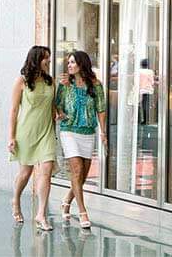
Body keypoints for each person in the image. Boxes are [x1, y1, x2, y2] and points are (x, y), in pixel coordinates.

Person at [8, 46, 58, 231]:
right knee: (25, 173)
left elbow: (52, 106)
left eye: (49, 58)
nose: (49, 62)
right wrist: (11, 137)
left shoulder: (51, 81)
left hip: (46, 132)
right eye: (46, 58)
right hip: (26, 132)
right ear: (36, 60)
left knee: (46, 171)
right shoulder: (21, 81)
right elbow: (13, 110)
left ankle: (41, 214)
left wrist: (58, 113)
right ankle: (16, 200)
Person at [56, 51, 107, 229]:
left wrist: (103, 132)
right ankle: (83, 211)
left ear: (81, 64)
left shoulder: (96, 85)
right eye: (68, 63)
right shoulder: (65, 84)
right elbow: (57, 105)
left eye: (72, 62)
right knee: (76, 171)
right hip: (69, 130)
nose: (69, 65)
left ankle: (66, 201)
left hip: (88, 132)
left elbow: (101, 108)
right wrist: (60, 114)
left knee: (82, 175)